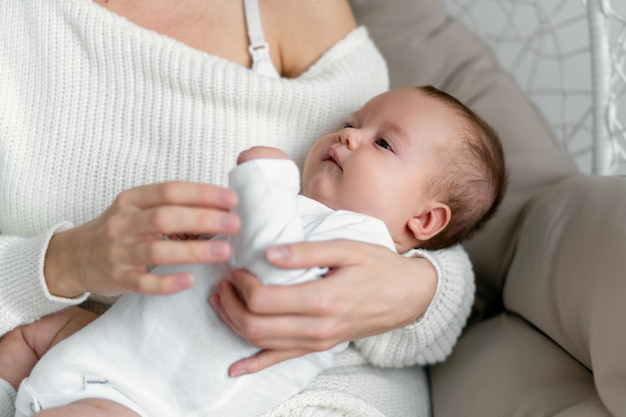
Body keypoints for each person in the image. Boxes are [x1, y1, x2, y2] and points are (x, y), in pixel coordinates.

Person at [0, 1, 479, 416]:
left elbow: (278, 270)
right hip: (107, 344)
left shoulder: (354, 230)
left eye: (383, 143)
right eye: (353, 123)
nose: (347, 134)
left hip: (155, 396)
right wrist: (62, 262)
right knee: (20, 346)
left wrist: (418, 286)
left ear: (425, 222)